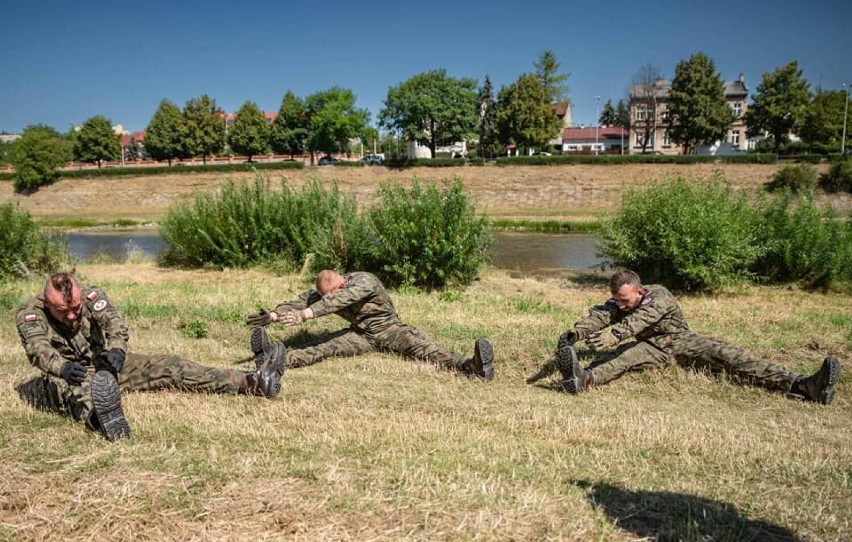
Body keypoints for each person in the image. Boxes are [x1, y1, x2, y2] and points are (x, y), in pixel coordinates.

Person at [15, 273, 286, 442]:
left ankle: (251, 381)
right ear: (47, 303)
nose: (72, 316)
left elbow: (114, 323)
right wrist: (63, 369)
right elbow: (39, 350)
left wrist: (118, 350)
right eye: (63, 311)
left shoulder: (90, 294)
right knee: (75, 392)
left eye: (75, 308)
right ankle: (104, 421)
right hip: (66, 373)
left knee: (170, 365)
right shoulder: (30, 313)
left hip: (103, 364)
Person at [535, 269, 841, 404]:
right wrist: (577, 332)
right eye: (617, 299)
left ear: (640, 291)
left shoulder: (659, 295)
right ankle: (581, 379)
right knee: (624, 358)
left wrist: (616, 333)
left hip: (681, 340)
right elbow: (602, 313)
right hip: (651, 346)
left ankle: (804, 385)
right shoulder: (620, 302)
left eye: (625, 299)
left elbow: (642, 318)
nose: (621, 304)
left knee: (732, 357)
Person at [245, 269, 494, 380]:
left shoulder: (364, 281)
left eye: (328, 296)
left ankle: (473, 367)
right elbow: (301, 300)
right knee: (321, 347)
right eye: (323, 297)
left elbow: (340, 300)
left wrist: (307, 315)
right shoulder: (325, 294)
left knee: (425, 351)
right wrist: (275, 316)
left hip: (389, 331)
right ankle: (272, 360)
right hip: (360, 335)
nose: (325, 301)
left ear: (340, 285)